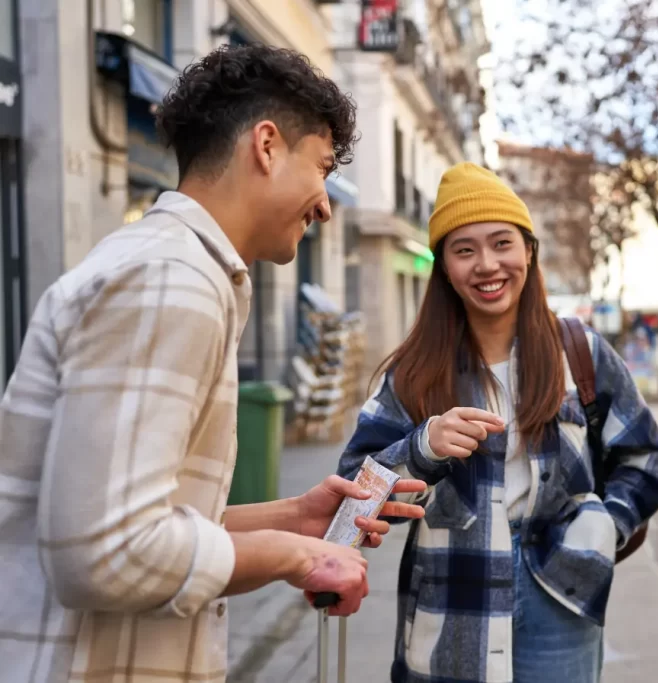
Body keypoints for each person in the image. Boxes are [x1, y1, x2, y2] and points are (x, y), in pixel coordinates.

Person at [0, 45, 425, 683]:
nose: (326, 204)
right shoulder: (171, 280)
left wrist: (290, 518)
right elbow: (102, 553)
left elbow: (132, 518)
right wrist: (294, 557)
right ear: (266, 145)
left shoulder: (174, 268)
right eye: (321, 166)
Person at [337, 162, 658, 683]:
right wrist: (421, 447)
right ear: (445, 268)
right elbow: (352, 502)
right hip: (452, 595)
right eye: (464, 249)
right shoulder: (414, 373)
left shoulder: (579, 352)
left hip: (561, 594)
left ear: (528, 251)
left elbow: (650, 455)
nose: (486, 264)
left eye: (502, 243)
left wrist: (602, 527)